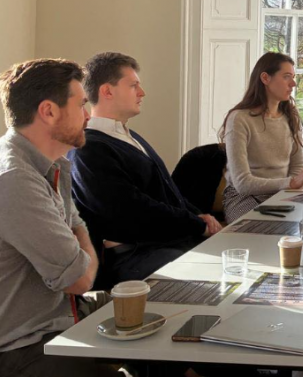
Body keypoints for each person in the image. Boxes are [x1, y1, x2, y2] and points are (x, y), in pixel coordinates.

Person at [0, 59, 112, 377]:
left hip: (51, 323)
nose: (88, 115)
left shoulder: (49, 164)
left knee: (161, 316)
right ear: (49, 111)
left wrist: (78, 244)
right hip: (13, 352)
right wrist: (79, 244)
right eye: (81, 105)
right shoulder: (12, 179)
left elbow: (77, 231)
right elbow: (78, 280)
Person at [67, 52, 222, 288]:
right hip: (134, 256)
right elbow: (130, 211)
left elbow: (167, 193)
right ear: (107, 91)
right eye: (133, 86)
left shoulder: (130, 137)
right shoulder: (88, 149)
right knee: (221, 279)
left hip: (167, 243)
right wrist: (196, 224)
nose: (142, 93)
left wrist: (202, 218)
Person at [220, 52, 303, 224]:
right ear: (265, 78)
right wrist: (290, 183)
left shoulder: (290, 116)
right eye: (286, 77)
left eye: (293, 77)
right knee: (270, 228)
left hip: (283, 194)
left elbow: (296, 168)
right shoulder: (239, 119)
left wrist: (292, 185)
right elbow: (242, 184)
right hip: (243, 198)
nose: (293, 84)